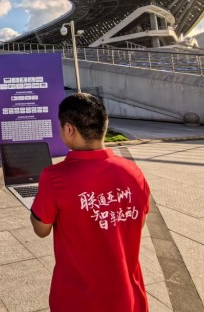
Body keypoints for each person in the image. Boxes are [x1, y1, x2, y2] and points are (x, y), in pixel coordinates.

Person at [30, 93, 150, 312]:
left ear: (69, 129)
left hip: (77, 300)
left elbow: (41, 229)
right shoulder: (134, 173)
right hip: (128, 298)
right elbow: (136, 224)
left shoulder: (54, 177)